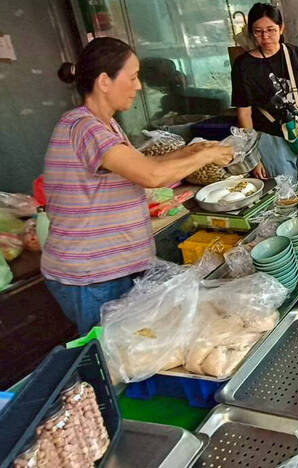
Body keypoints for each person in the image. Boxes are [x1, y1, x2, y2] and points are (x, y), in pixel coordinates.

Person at [43, 37, 233, 334]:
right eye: (132, 77)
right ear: (105, 81)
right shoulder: (84, 127)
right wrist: (206, 154)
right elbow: (150, 176)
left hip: (114, 268)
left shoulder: (106, 124)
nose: (139, 86)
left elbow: (144, 167)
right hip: (93, 276)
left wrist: (192, 151)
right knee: (113, 358)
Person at [231, 3, 298, 182]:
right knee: (286, 190)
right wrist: (253, 159)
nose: (265, 37)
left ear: (281, 27)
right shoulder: (243, 65)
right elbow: (244, 113)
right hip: (270, 138)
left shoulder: (296, 54)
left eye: (271, 29)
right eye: (258, 31)